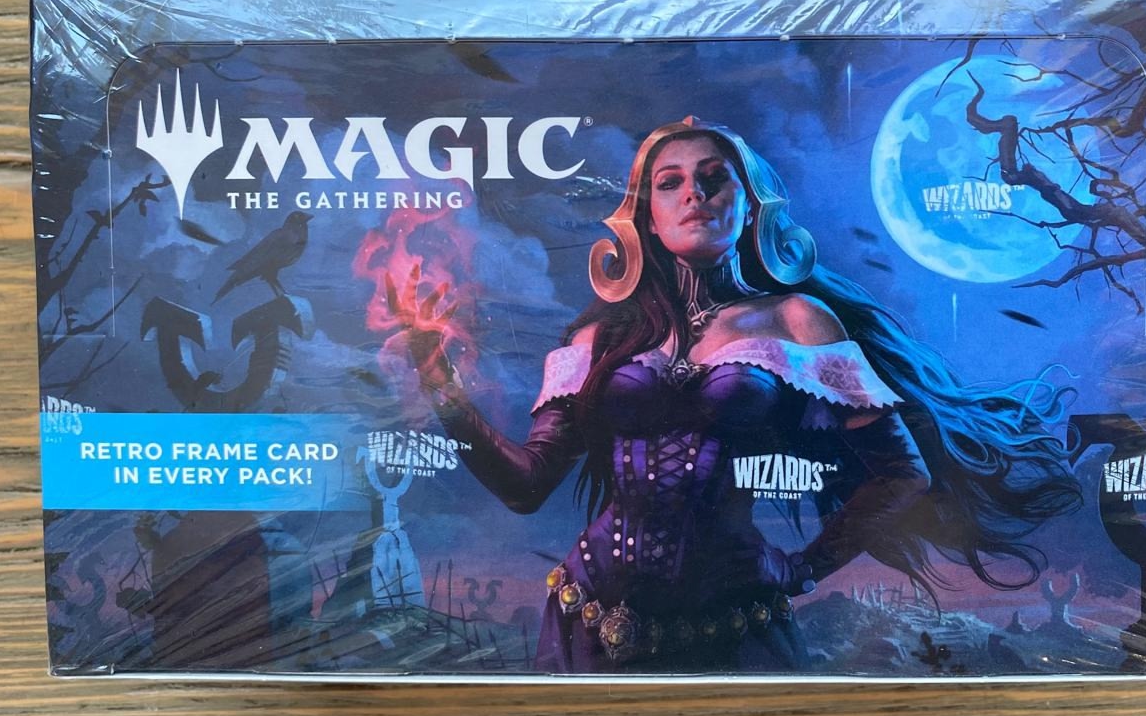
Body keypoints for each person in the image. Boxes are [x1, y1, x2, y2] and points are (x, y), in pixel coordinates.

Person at [391, 117, 1081, 673]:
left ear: (750, 205)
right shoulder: (599, 337)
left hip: (734, 626)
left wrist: (803, 567)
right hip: (587, 623)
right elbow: (525, 485)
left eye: (715, 179)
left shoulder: (798, 321)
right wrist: (439, 381)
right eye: (670, 183)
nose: (694, 193)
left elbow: (903, 473)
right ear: (647, 217)